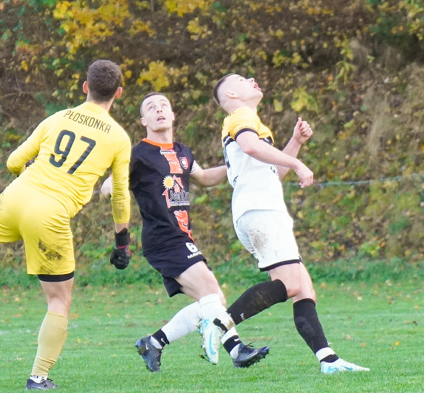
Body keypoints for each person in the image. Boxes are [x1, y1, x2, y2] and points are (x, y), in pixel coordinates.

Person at [0, 59, 134, 390]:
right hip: (51, 213)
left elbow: (14, 161)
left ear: (85, 87)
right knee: (59, 301)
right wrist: (122, 242)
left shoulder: (57, 118)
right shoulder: (118, 137)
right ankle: (38, 377)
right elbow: (119, 196)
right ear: (118, 92)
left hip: (17, 194)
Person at [201, 73, 369, 374]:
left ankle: (328, 360)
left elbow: (271, 173)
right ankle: (220, 325)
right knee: (291, 284)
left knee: (303, 287)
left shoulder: (249, 121)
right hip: (260, 210)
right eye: (241, 78)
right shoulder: (240, 116)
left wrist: (295, 143)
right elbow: (251, 146)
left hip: (260, 209)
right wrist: (298, 163)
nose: (251, 78)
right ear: (232, 96)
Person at [100, 92, 269, 371]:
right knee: (212, 294)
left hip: (182, 237)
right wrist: (110, 189)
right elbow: (110, 185)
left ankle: (154, 342)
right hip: (163, 238)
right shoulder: (138, 154)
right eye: (151, 108)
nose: (159, 110)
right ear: (144, 120)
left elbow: (203, 178)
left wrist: (241, 166)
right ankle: (237, 350)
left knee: (213, 300)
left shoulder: (183, 152)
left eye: (164, 105)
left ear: (173, 115)